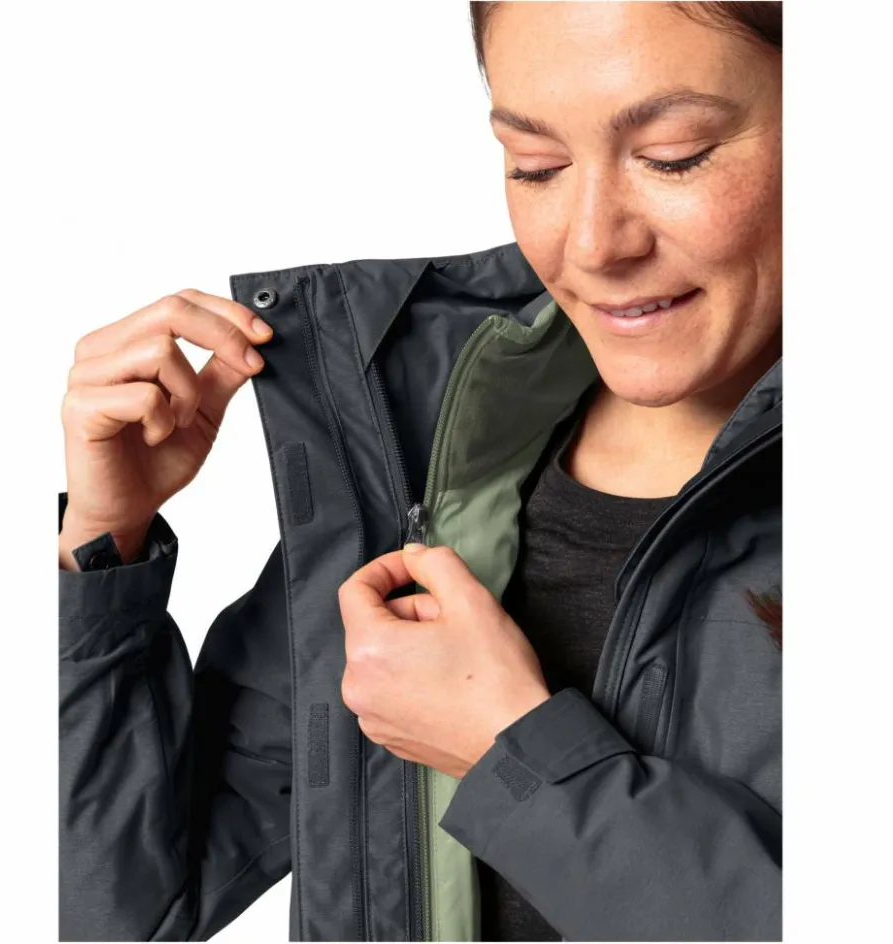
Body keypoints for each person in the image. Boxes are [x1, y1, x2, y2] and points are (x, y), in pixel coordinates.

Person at [58, 2, 782, 941]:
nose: (593, 244)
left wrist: (515, 761)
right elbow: (116, 912)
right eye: (536, 165)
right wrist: (102, 548)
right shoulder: (442, 453)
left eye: (673, 156)